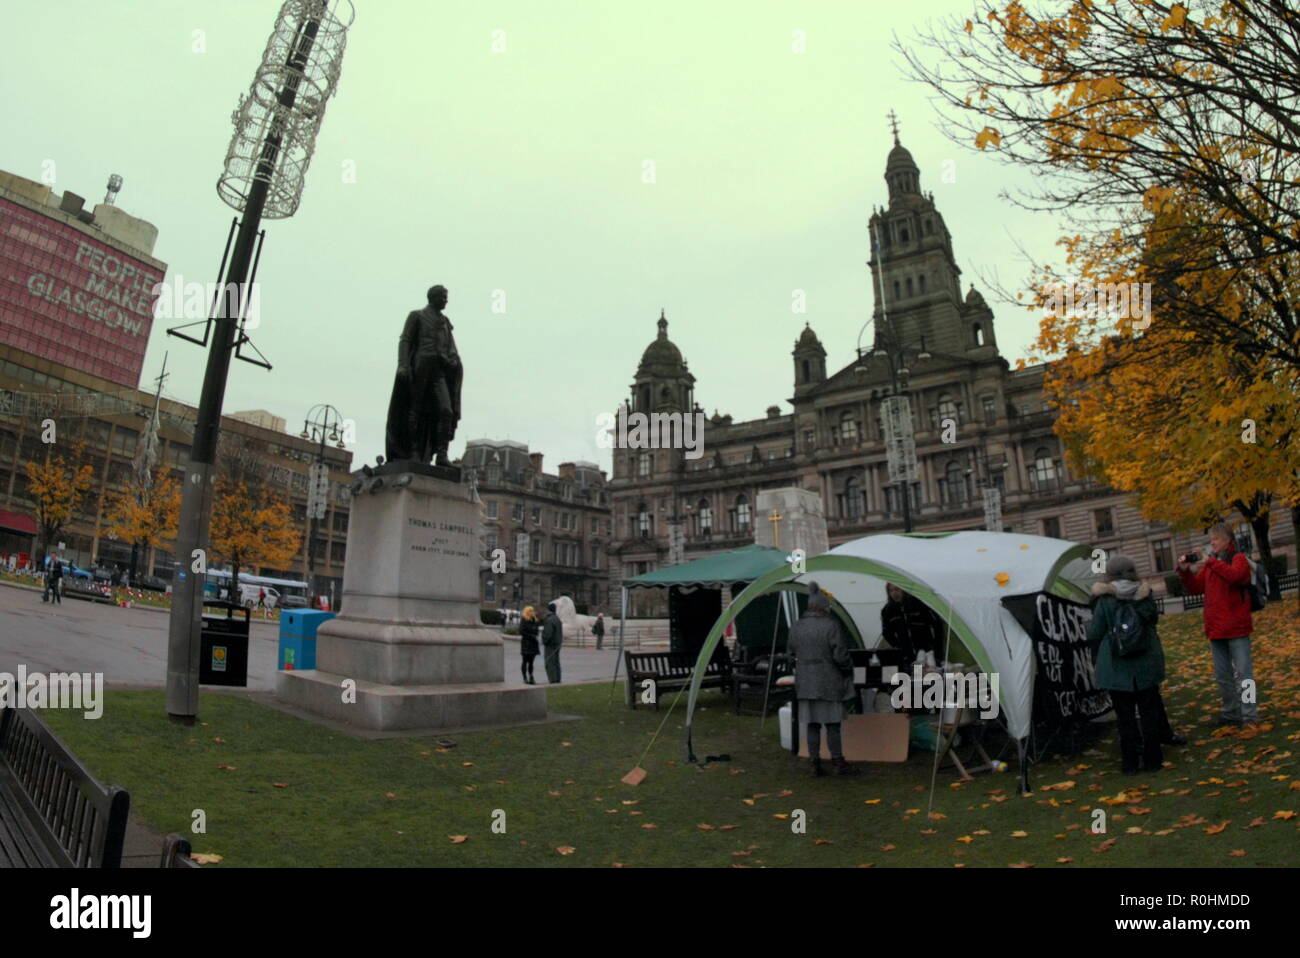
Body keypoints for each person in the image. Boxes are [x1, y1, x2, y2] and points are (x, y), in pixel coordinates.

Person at [1088, 555, 1165, 775]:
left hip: (1116, 666)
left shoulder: (1104, 599)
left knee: (1125, 718)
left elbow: (1095, 631)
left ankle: (1130, 763)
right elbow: (1152, 620)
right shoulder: (1145, 594)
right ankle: (1153, 760)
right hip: (1146, 664)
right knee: (1149, 714)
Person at [1176, 521, 1257, 727]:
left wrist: (1209, 562)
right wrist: (1185, 571)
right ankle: (1230, 713)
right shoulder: (1212, 565)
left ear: (1227, 540)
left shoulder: (1237, 559)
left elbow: (1237, 576)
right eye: (1210, 540)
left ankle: (1249, 715)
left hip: (1237, 628)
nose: (1212, 544)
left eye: (1216, 539)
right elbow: (1195, 587)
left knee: (1244, 676)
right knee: (1223, 676)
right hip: (1216, 629)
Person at [788, 582, 858, 776]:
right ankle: (838, 761)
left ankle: (814, 762)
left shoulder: (797, 626)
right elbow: (840, 656)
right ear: (824, 607)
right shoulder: (831, 625)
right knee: (833, 724)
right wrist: (848, 669)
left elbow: (791, 651)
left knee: (813, 724)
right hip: (829, 680)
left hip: (806, 682)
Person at [880, 583, 943, 667]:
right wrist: (898, 647)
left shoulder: (919, 604)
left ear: (904, 590)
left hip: (927, 652)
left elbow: (937, 626)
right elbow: (887, 633)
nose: (894, 593)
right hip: (906, 655)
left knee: (928, 676)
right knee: (911, 677)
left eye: (897, 589)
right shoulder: (887, 610)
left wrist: (937, 649)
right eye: (891, 590)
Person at [541, 602, 563, 683]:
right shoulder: (557, 619)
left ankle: (553, 680)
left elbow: (547, 634)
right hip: (557, 644)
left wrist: (544, 640)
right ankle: (557, 679)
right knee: (556, 662)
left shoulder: (549, 620)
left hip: (550, 645)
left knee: (550, 663)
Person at [519, 606, 541, 684]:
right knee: (525, 661)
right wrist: (531, 636)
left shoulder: (535, 620)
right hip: (526, 643)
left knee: (531, 662)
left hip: (533, 644)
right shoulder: (524, 620)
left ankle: (531, 676)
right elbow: (521, 631)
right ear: (527, 612)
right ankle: (525, 677)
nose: (532, 612)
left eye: (533, 610)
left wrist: (535, 635)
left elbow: (537, 631)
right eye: (530, 611)